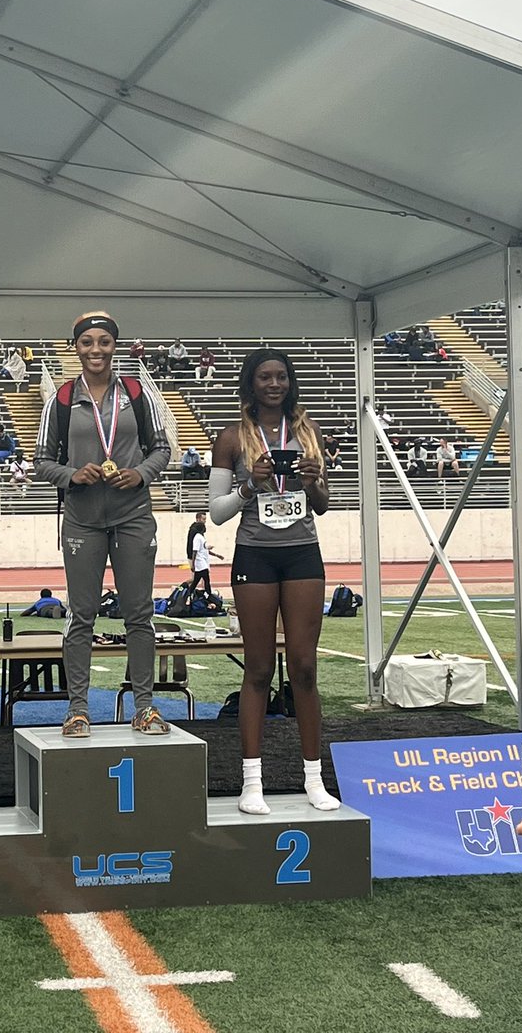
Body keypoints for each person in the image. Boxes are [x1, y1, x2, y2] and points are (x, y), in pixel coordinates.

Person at [209, 346, 338, 814]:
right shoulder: (231, 437)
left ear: (291, 382)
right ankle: (251, 782)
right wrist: (250, 484)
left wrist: (311, 480)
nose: (274, 384)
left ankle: (313, 777)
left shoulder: (308, 431)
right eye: (264, 377)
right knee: (259, 668)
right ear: (251, 383)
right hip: (255, 556)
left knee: (304, 667)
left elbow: (323, 504)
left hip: (302, 553)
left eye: (281, 376)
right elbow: (217, 512)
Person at [34, 310, 172, 737]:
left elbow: (163, 448)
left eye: (104, 342)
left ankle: (144, 707)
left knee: (139, 614)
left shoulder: (136, 393)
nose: (96, 350)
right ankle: (78, 709)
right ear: (76, 347)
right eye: (87, 342)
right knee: (82, 614)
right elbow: (41, 461)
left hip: (133, 515)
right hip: (82, 519)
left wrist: (141, 474)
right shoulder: (60, 399)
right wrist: (70, 475)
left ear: (115, 346)